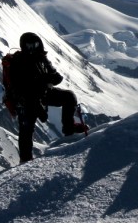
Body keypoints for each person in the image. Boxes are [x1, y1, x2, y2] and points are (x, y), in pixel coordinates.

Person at [6, 32, 84, 163]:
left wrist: (43, 81)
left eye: (35, 45)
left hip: (42, 94)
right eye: (29, 45)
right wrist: (43, 81)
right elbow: (19, 88)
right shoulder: (17, 62)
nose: (32, 48)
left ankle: (69, 130)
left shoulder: (41, 58)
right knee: (26, 129)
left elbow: (57, 77)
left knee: (69, 96)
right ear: (23, 46)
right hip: (25, 101)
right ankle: (25, 160)